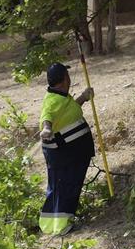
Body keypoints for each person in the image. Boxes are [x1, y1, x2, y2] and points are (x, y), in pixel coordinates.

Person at [37, 62, 94, 235]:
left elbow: (70, 110)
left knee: (65, 186)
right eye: (67, 76)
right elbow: (47, 116)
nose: (70, 79)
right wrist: (46, 128)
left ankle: (50, 226)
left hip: (72, 153)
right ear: (64, 80)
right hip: (64, 155)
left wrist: (84, 97)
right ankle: (61, 227)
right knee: (63, 187)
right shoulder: (52, 100)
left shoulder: (62, 97)